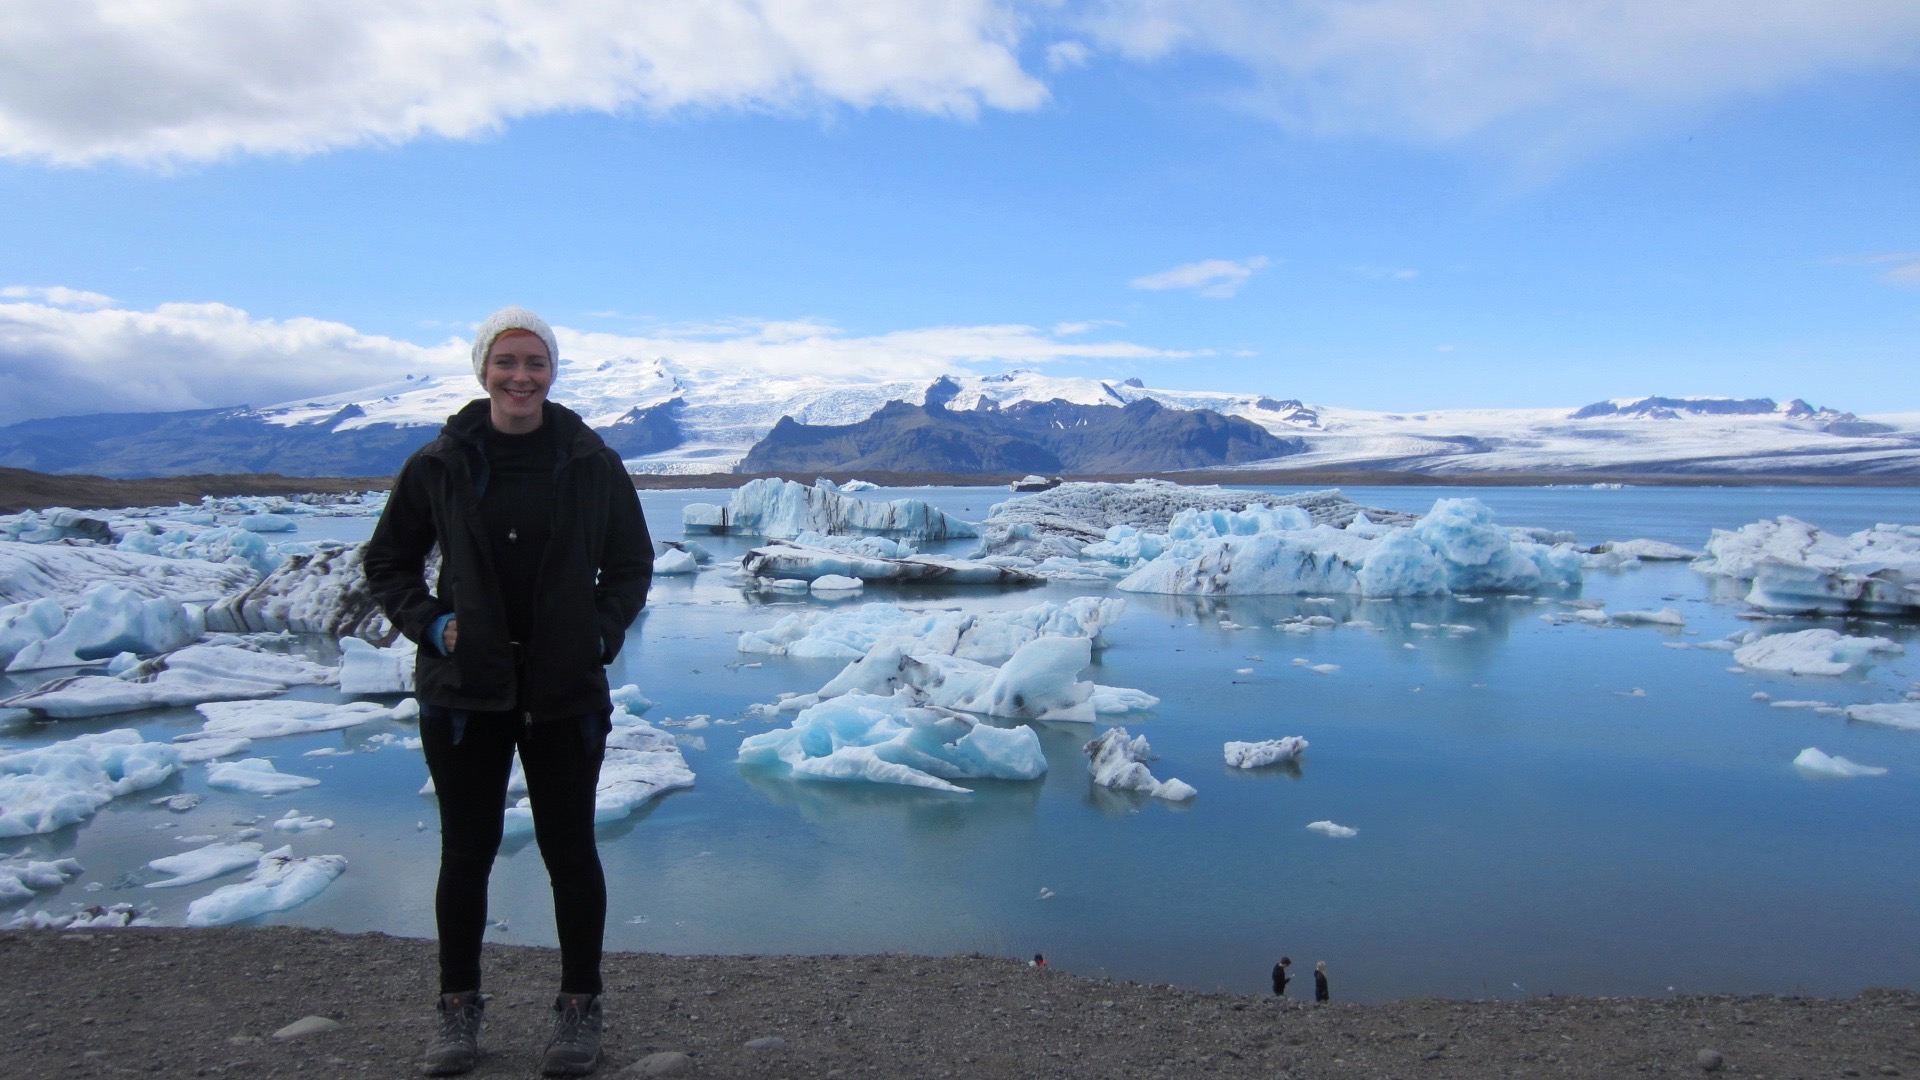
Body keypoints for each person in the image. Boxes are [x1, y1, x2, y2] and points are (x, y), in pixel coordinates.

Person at [365, 306, 653, 1077]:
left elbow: (630, 563)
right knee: (466, 851)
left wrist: (601, 632)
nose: (520, 377)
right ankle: (457, 1010)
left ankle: (579, 1010)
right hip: (466, 692)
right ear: (482, 371)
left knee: (570, 850)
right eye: (507, 363)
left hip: (565, 688)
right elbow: (388, 561)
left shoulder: (592, 462)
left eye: (535, 363)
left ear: (552, 371)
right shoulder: (441, 462)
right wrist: (430, 625)